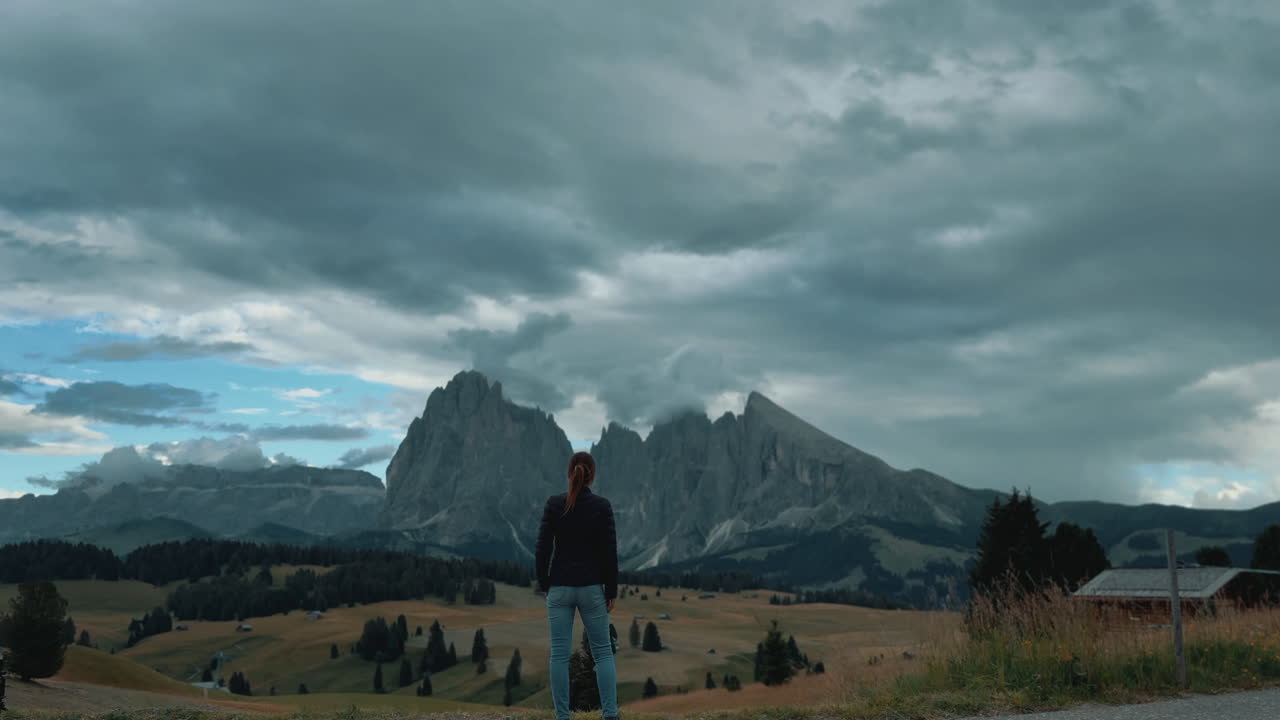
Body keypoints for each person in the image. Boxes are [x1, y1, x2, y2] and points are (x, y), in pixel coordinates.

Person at [535, 451, 618, 720]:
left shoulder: (553, 504)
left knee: (559, 656)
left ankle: (562, 717)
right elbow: (609, 553)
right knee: (603, 654)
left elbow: (542, 548)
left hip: (559, 587)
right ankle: (610, 715)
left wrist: (545, 582)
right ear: (592, 475)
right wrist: (611, 591)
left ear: (570, 472)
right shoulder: (602, 506)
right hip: (592, 588)